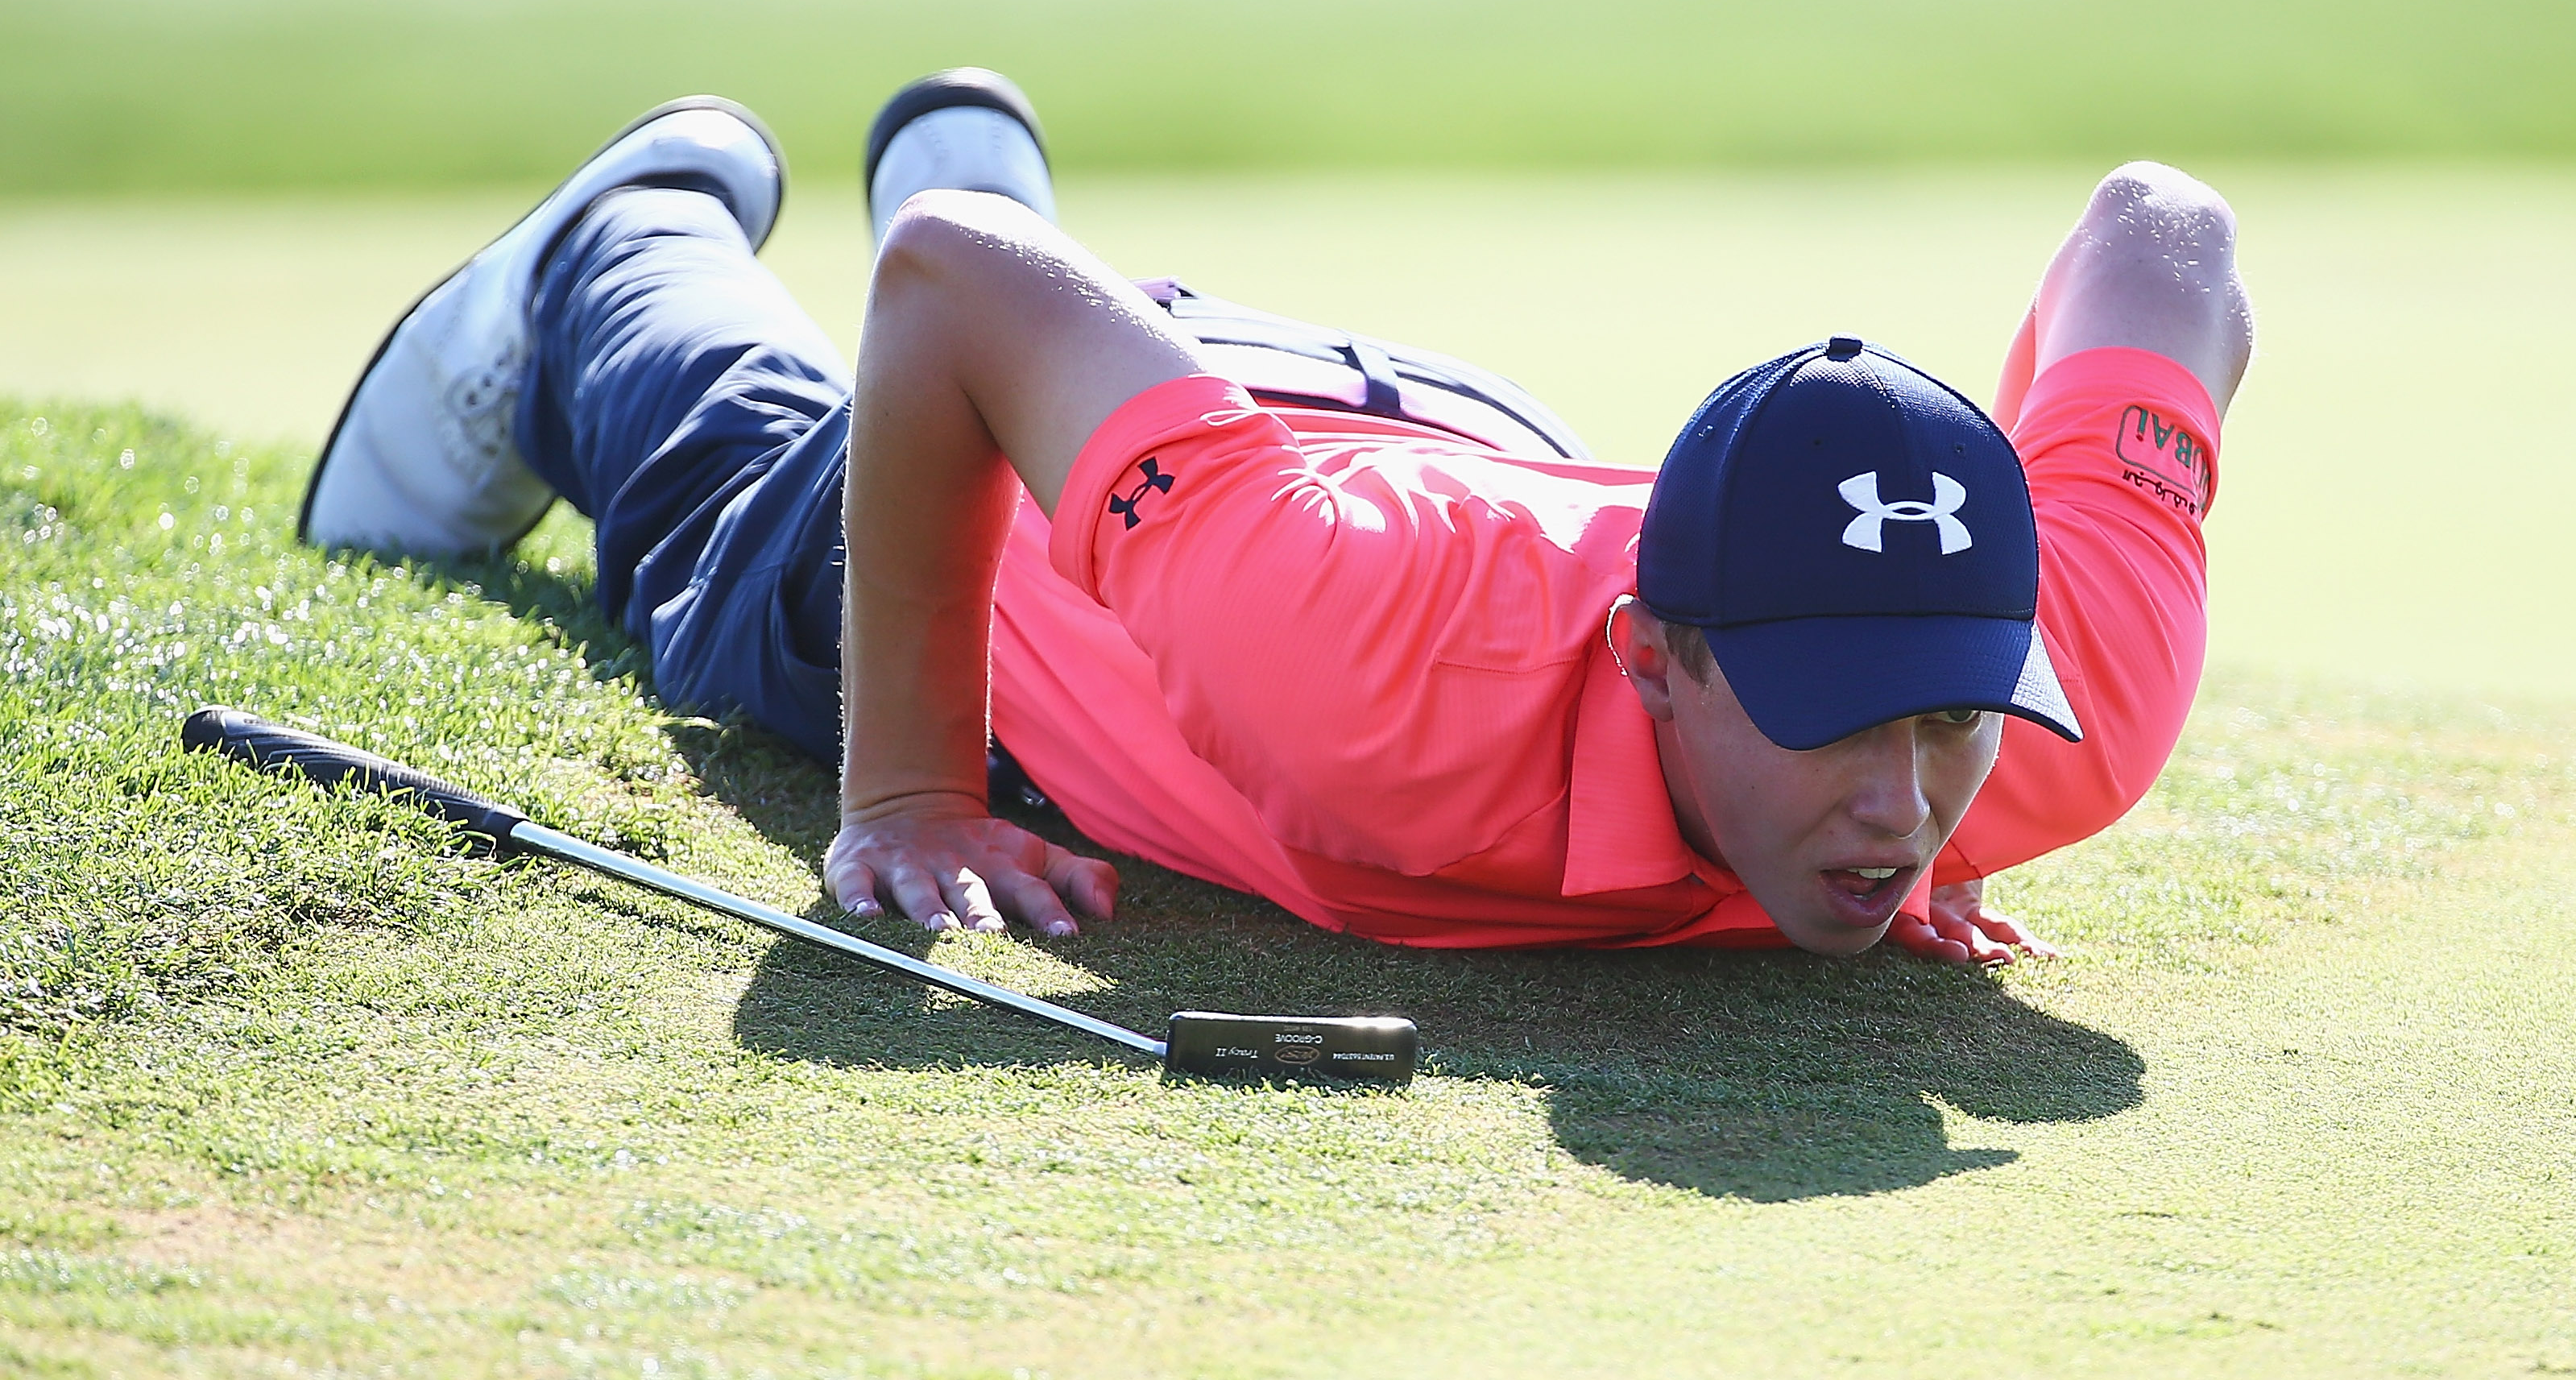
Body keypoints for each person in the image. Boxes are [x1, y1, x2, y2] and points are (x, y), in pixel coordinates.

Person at [303, 70, 2248, 965]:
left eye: (1943, 710)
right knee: (744, 547)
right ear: (1657, 661)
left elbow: (2168, 234)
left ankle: (1067, 302)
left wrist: (1901, 702)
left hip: (1432, 429)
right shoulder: (1356, 656)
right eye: (1842, 715)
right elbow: (944, 275)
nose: (1913, 801)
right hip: (1240, 486)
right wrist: (902, 791)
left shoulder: (2063, 714)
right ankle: (610, 246)